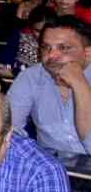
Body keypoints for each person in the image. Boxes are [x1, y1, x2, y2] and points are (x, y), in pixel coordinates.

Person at [8, 16, 91, 155]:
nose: (52, 55)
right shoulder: (31, 77)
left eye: (64, 48)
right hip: (49, 167)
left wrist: (80, 84)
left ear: (87, 53)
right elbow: (8, 130)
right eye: (46, 47)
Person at [0, 5, 56, 77]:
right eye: (37, 31)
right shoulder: (18, 38)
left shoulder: (57, 45)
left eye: (45, 31)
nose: (41, 35)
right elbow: (3, 69)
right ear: (31, 26)